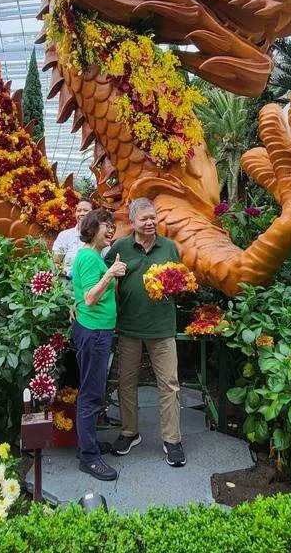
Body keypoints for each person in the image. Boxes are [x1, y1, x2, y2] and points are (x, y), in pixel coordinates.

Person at [105, 198, 186, 467]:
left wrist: (175, 286)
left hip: (162, 328)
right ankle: (129, 433)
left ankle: (172, 440)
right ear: (133, 222)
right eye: (144, 219)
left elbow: (181, 281)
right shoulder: (120, 248)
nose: (150, 223)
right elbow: (103, 279)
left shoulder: (170, 248)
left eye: (153, 217)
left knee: (169, 384)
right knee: (126, 384)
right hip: (129, 327)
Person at [70, 207, 125, 481]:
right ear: (92, 228)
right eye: (106, 224)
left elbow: (80, 293)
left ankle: (87, 444)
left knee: (92, 391)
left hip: (94, 330)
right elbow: (91, 298)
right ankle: (88, 457)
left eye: (112, 224)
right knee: (91, 394)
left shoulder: (90, 256)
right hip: (94, 333)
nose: (111, 229)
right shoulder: (91, 258)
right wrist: (111, 273)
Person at [53, 199, 94, 277]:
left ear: (94, 213)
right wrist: (68, 274)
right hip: (66, 285)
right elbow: (55, 263)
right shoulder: (65, 235)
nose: (82, 213)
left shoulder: (99, 236)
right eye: (79, 211)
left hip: (91, 285)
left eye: (86, 210)